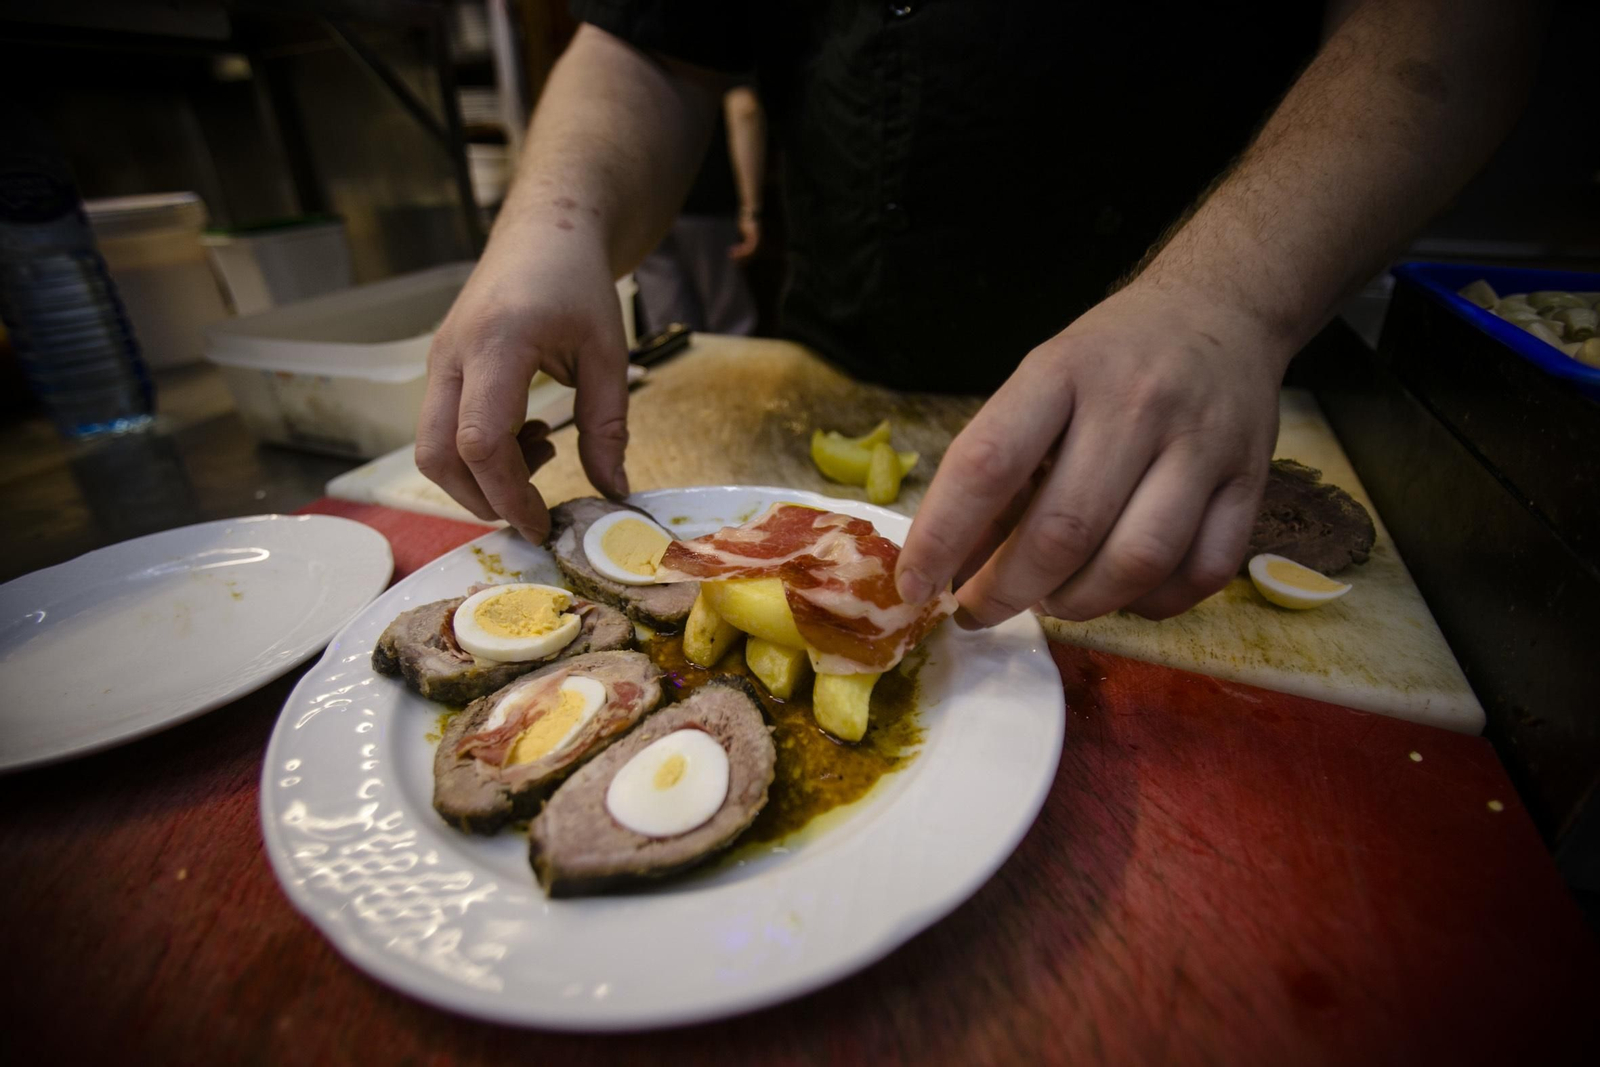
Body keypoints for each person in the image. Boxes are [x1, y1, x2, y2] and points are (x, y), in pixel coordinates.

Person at [417, 1, 1540, 628]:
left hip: (1208, 391)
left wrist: (1226, 300)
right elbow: (650, 44)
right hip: (834, 356)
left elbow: (1448, 26)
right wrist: (548, 223)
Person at [633, 84, 766, 336]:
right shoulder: (721, 45)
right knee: (730, 329)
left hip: (646, 206)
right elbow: (744, 108)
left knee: (669, 334)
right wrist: (751, 209)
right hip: (705, 200)